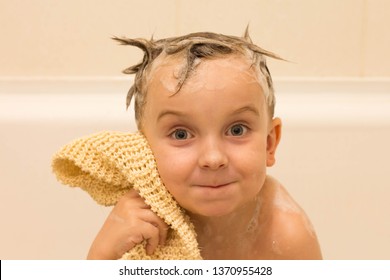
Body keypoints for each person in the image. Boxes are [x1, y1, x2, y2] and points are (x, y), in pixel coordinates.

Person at [86, 29, 322, 260]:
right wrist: (103, 253)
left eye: (236, 130)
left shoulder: (286, 236)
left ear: (269, 144)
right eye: (180, 134)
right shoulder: (141, 219)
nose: (213, 158)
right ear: (144, 149)